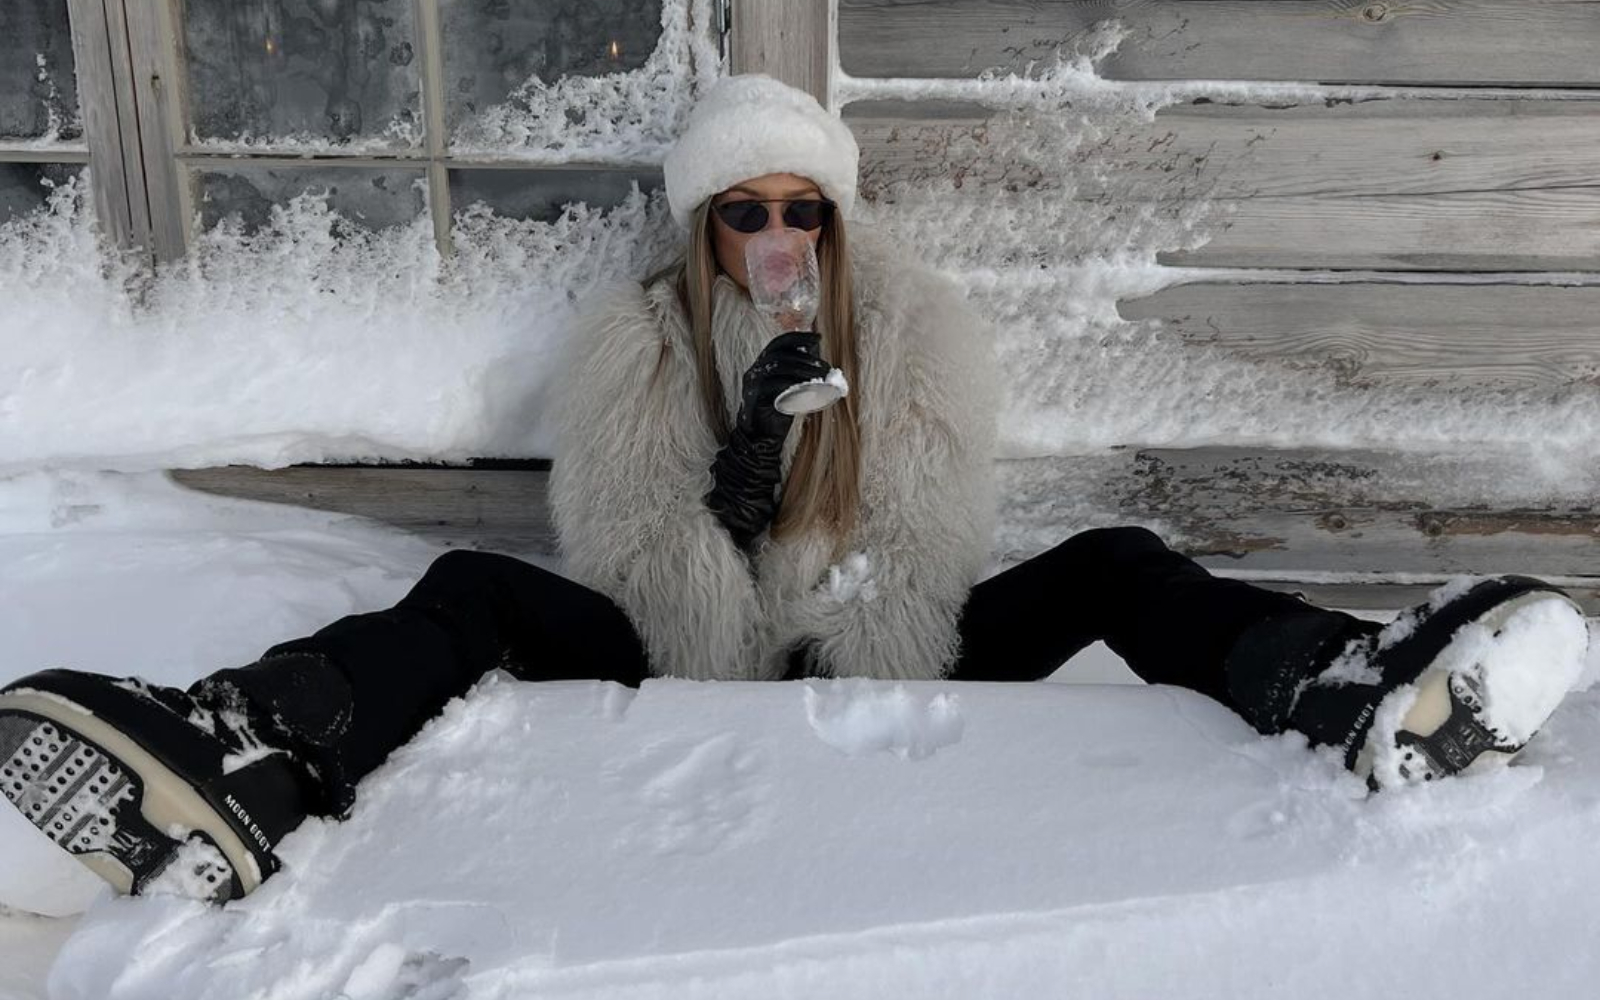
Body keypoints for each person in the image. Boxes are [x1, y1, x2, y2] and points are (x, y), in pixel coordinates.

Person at [0, 75, 1588, 903]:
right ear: (705, 231)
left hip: (873, 635)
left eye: (804, 213)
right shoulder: (634, 347)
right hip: (686, 636)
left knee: (1113, 562)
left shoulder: (909, 330)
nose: (778, 242)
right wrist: (740, 482)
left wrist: (829, 576)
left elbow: (931, 540)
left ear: (836, 223)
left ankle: (1346, 687)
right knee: (470, 595)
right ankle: (253, 745)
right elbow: (631, 556)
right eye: (746, 214)